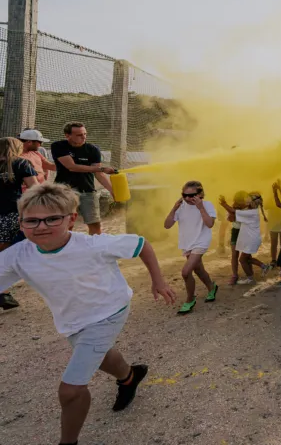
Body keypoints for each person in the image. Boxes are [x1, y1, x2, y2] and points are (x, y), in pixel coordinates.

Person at [0, 182, 176, 445]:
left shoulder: (94, 245)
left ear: (71, 219)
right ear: (21, 222)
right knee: (100, 355)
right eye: (32, 221)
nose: (41, 227)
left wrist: (158, 281)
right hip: (72, 319)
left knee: (70, 391)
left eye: (52, 219)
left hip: (109, 311)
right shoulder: (17, 256)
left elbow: (140, 244)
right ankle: (129, 376)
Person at [50, 122, 116, 236]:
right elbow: (72, 167)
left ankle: (94, 250)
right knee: (66, 223)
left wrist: (112, 190)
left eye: (85, 134)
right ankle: (66, 249)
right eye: (79, 135)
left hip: (88, 191)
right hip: (64, 191)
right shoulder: (58, 146)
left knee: (95, 224)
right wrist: (101, 169)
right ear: (67, 135)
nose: (84, 137)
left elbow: (98, 173)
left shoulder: (93, 149)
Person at [163, 180, 217, 314]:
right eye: (184, 195)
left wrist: (200, 208)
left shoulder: (207, 205)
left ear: (200, 194)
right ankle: (212, 287)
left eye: (191, 195)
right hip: (187, 243)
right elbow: (167, 225)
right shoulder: (180, 206)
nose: (187, 198)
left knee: (186, 272)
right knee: (199, 269)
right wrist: (174, 208)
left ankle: (190, 299)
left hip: (201, 241)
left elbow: (210, 224)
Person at [0, 137, 39, 310]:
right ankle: (3, 292)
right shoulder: (21, 163)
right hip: (11, 212)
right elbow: (35, 188)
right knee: (9, 251)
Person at [221, 192, 270, 285]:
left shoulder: (249, 211)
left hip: (248, 236)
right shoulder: (249, 209)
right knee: (239, 256)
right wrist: (231, 209)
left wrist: (224, 204)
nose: (241, 201)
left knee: (244, 258)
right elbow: (231, 218)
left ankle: (251, 276)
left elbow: (234, 213)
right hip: (241, 233)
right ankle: (259, 268)